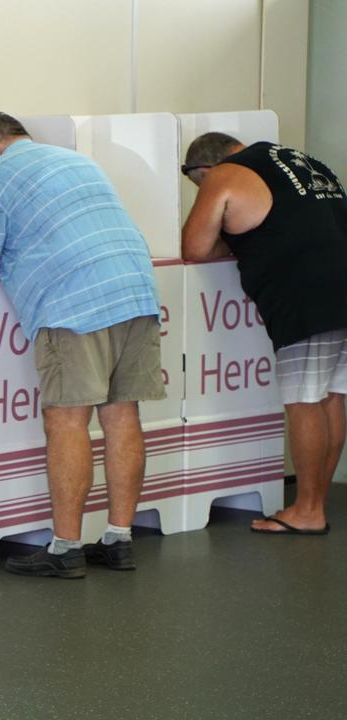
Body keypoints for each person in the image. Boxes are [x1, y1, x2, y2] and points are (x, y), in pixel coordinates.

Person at [0, 112, 164, 578]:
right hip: (136, 290)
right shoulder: (76, 160)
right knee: (122, 416)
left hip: (72, 301)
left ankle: (65, 548)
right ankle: (118, 539)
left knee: (67, 420)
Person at [181, 132, 347, 535]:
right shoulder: (302, 162)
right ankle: (314, 504)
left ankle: (308, 511)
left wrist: (231, 239)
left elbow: (195, 246)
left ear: (204, 171)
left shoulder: (225, 175)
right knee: (332, 396)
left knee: (304, 400)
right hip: (338, 285)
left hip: (306, 296)